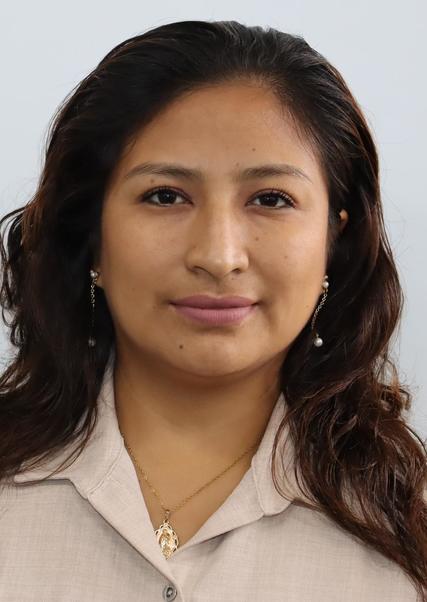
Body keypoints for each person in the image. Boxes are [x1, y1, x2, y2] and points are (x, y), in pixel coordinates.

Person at [0, 19, 425, 602]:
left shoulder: (409, 532)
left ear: (335, 238)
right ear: (91, 234)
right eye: (165, 196)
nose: (219, 257)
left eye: (271, 199)